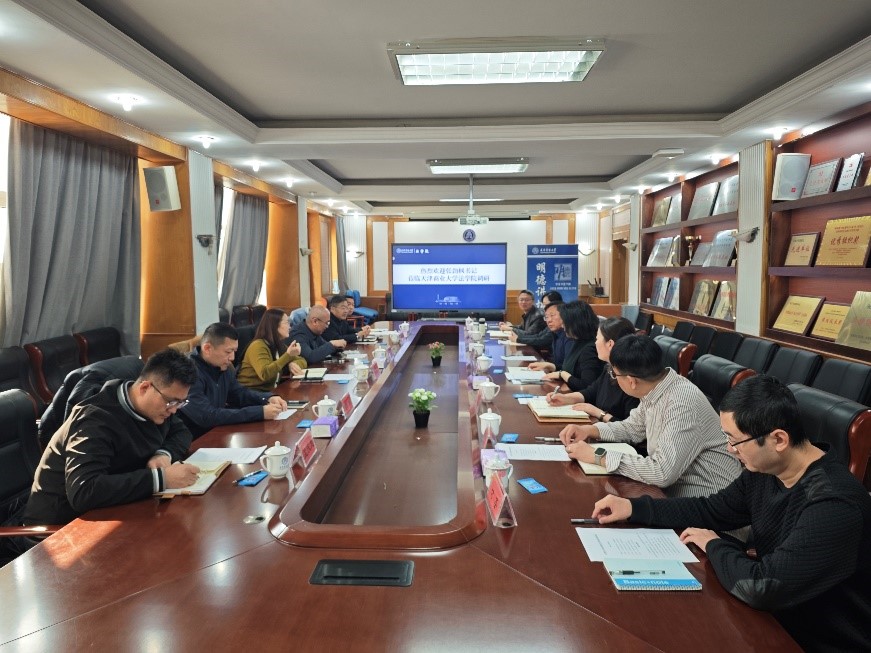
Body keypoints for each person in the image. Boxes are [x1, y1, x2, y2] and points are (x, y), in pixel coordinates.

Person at [591, 376, 871, 652]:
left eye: (735, 441)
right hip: (771, 621)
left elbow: (762, 586)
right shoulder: (767, 469)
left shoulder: (834, 504)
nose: (729, 449)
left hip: (815, 641)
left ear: (778, 439)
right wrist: (634, 507)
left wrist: (714, 544)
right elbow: (711, 509)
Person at [21, 348, 200, 527]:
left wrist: (164, 454)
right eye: (171, 401)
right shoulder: (95, 419)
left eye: (180, 403)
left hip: (113, 510)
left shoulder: (156, 409)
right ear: (145, 387)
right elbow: (84, 491)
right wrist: (162, 479)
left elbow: (181, 433)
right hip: (60, 527)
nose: (174, 410)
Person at [559, 334, 740, 497]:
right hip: (675, 494)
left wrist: (598, 456)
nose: (613, 378)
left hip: (709, 502)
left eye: (614, 374)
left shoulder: (681, 403)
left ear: (631, 381)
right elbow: (632, 428)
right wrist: (590, 430)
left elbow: (662, 472)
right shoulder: (657, 388)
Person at [179, 322, 288, 438]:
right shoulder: (187, 372)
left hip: (218, 433)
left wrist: (267, 398)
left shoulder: (222, 366)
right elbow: (206, 416)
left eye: (234, 351)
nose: (232, 358)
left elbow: (239, 393)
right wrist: (260, 412)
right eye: (228, 352)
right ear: (207, 348)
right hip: (194, 439)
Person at [546, 317, 639, 422]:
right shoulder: (609, 368)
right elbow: (590, 392)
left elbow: (631, 428)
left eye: (597, 339)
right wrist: (566, 398)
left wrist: (597, 412)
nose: (595, 343)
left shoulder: (632, 378)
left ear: (610, 344)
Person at [532, 300, 602, 388]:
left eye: (565, 322)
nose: (563, 326)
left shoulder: (589, 349)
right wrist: (552, 366)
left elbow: (586, 385)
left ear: (575, 323)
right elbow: (571, 370)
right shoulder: (578, 341)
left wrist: (562, 374)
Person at [237, 308, 307, 391]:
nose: (290, 326)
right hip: (251, 392)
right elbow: (265, 374)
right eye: (286, 322)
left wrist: (292, 364)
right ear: (275, 325)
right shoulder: (258, 346)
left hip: (270, 391)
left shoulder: (279, 345)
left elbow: (302, 360)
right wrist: (288, 356)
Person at [527, 301, 570, 370]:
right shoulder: (555, 334)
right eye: (546, 317)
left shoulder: (569, 336)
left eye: (552, 315)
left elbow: (570, 369)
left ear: (564, 316)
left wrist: (551, 366)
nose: (549, 320)